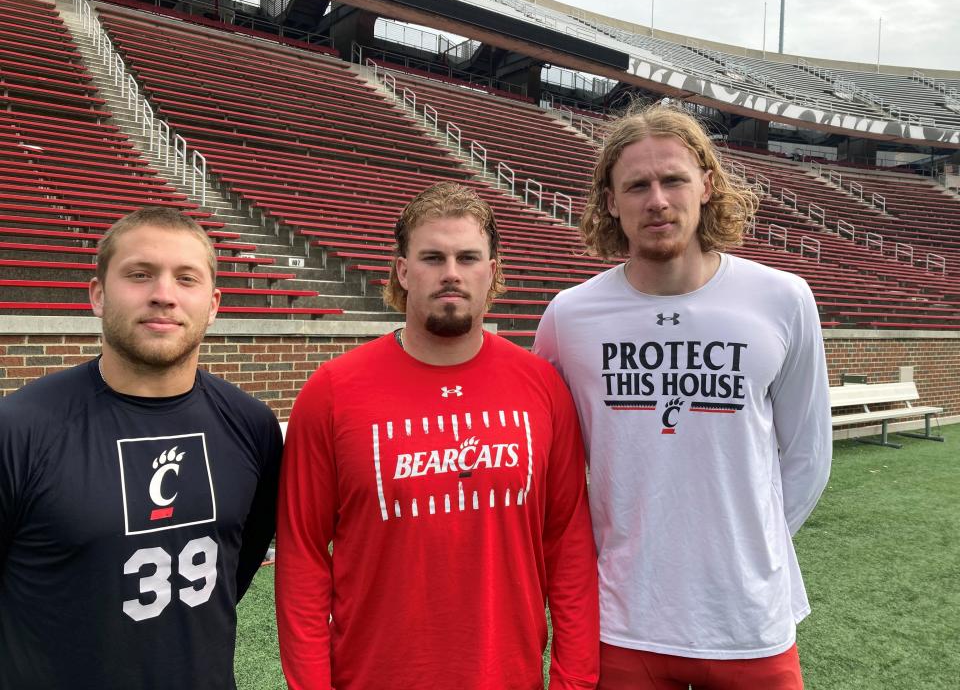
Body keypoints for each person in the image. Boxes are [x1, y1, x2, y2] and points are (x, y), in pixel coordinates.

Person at [534, 103, 832, 690]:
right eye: (636, 185)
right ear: (610, 202)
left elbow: (808, 457)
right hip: (623, 621)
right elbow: (548, 463)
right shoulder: (569, 317)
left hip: (749, 620)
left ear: (707, 184)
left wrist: (748, 548)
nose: (658, 200)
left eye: (673, 179)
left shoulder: (782, 299)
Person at [276, 181, 599, 690]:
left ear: (491, 272)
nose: (451, 273)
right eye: (432, 257)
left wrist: (573, 681)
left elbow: (570, 548)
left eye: (468, 257)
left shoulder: (543, 389)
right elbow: (303, 558)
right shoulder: (332, 393)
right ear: (403, 270)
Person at [0, 207, 283, 689]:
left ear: (213, 304)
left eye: (186, 279)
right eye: (139, 274)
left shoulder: (252, 426)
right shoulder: (19, 429)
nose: (163, 295)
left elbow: (239, 562)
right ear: (98, 294)